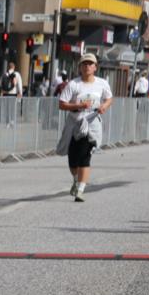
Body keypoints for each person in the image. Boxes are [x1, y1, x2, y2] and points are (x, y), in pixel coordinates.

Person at [57, 53, 113, 202]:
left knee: (85, 156)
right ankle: (76, 180)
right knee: (73, 159)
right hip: (75, 122)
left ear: (95, 67)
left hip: (92, 123)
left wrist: (104, 106)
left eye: (90, 64)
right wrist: (78, 105)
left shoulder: (102, 83)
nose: (87, 66)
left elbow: (109, 98)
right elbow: (62, 104)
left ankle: (81, 190)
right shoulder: (73, 84)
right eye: (84, 64)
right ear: (80, 67)